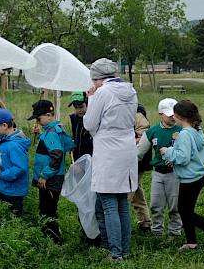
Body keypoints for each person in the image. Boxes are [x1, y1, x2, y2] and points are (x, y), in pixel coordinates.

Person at [84, 58, 138, 261]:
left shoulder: (102, 93)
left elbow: (89, 123)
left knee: (108, 205)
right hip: (127, 148)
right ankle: (124, 249)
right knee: (122, 203)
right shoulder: (131, 91)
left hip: (108, 150)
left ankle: (116, 253)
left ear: (98, 79)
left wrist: (91, 99)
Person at [160, 100, 204, 250]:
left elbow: (183, 158)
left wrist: (168, 152)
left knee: (186, 212)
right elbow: (192, 153)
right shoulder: (197, 131)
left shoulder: (185, 135)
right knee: (185, 211)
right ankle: (191, 242)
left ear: (178, 117)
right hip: (197, 176)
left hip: (190, 179)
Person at [136, 98, 182, 237]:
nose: (172, 117)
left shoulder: (183, 130)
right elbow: (139, 151)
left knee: (175, 205)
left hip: (175, 173)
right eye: (169, 115)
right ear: (160, 114)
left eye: (174, 114)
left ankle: (175, 232)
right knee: (156, 204)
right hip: (158, 173)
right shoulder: (152, 131)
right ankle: (157, 232)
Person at [28, 99, 73, 244]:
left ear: (48, 115)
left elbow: (57, 155)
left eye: (38, 118)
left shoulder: (52, 133)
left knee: (48, 211)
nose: (38, 121)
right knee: (45, 209)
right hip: (50, 179)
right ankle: (48, 237)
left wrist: (44, 175)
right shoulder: (50, 130)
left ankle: (54, 241)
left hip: (50, 180)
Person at [0, 108, 30, 217]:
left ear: (5, 125)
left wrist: (1, 174)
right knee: (6, 219)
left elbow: (20, 168)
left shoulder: (14, 145)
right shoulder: (6, 140)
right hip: (6, 187)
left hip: (13, 191)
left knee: (14, 220)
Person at [129, 104, 152, 233]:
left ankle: (121, 219)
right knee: (136, 189)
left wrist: (130, 140)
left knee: (128, 189)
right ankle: (145, 221)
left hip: (137, 158)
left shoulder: (136, 113)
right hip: (129, 157)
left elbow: (145, 134)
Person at [68, 91, 92, 160]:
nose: (78, 110)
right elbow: (74, 135)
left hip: (91, 156)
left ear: (87, 104)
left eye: (81, 107)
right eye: (76, 107)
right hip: (77, 156)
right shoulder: (74, 118)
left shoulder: (92, 118)